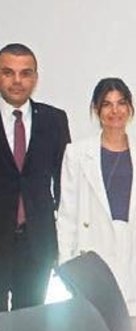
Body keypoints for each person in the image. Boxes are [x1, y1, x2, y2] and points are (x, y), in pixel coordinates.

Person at [57, 78, 136, 331]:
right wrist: (68, 266)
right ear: (96, 109)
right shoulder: (77, 153)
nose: (115, 111)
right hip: (94, 253)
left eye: (121, 103)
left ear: (130, 108)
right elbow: (67, 213)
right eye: (107, 104)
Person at [0, 43, 70, 313]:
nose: (17, 81)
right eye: (8, 72)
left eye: (25, 73)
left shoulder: (54, 120)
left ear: (35, 78)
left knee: (30, 324)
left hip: (37, 245)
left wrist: (63, 242)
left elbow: (65, 184)